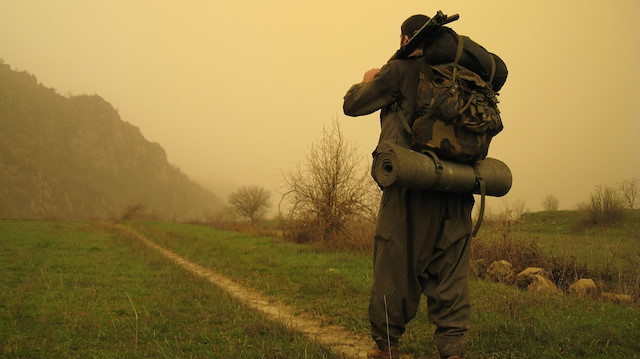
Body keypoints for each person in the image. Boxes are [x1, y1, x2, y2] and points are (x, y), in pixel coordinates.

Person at [343, 14, 474, 359]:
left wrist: (367, 80)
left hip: (410, 185)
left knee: (394, 264)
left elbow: (352, 105)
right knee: (451, 274)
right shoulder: (461, 76)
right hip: (458, 187)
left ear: (406, 40)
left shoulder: (399, 70)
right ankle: (453, 349)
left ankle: (386, 347)